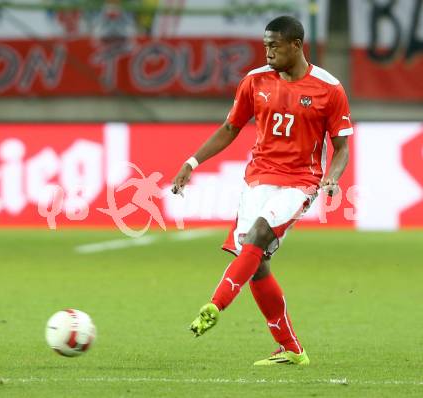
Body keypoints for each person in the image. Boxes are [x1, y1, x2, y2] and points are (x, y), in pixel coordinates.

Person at [171, 15, 352, 366]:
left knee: (257, 237)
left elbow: (342, 146)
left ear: (296, 45)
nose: (267, 51)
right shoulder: (254, 82)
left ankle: (215, 304)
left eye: (274, 45)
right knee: (256, 264)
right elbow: (230, 127)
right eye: (265, 45)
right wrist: (191, 163)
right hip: (257, 180)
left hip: (300, 182)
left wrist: (331, 179)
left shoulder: (329, 88)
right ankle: (291, 349)